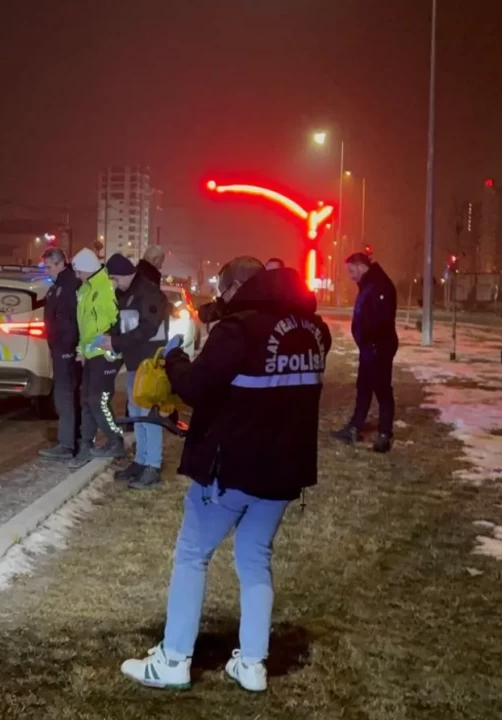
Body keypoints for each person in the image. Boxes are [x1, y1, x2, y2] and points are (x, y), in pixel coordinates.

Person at [120, 260, 331, 693]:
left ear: (236, 288)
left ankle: (173, 658)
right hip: (283, 470)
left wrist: (175, 358)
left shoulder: (239, 330)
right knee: (255, 559)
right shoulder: (313, 330)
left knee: (192, 554)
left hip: (231, 466)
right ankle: (252, 663)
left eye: (223, 289)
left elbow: (196, 387)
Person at [96, 252, 168, 489]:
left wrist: (116, 342)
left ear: (125, 274)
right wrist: (109, 338)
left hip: (150, 364)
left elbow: (147, 329)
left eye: (115, 278)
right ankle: (141, 461)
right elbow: (121, 325)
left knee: (149, 417)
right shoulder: (125, 294)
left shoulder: (149, 293)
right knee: (138, 415)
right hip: (135, 363)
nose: (114, 284)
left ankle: (153, 466)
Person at [333, 252, 398, 453]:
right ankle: (354, 427)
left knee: (382, 389)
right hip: (370, 347)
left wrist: (372, 343)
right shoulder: (370, 284)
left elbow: (381, 320)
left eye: (352, 271)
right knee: (364, 387)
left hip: (378, 347)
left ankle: (384, 434)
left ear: (361, 266)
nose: (351, 276)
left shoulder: (380, 285)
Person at [71, 248, 123, 467]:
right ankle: (86, 444)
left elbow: (115, 321)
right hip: (91, 353)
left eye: (78, 271)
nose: (77, 276)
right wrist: (81, 350)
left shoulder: (107, 287)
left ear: (87, 268)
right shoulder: (84, 289)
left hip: (105, 353)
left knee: (97, 400)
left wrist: (109, 342)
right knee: (86, 400)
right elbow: (84, 326)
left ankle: (115, 439)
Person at [38, 247, 82, 459]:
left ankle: (67, 444)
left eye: (49, 267)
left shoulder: (68, 286)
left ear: (60, 264)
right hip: (62, 349)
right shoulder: (60, 285)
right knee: (66, 396)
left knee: (64, 397)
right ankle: (73, 441)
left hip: (66, 351)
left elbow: (69, 323)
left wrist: (64, 348)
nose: (47, 271)